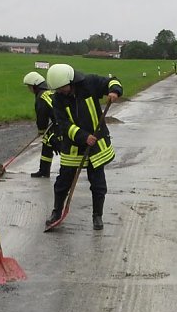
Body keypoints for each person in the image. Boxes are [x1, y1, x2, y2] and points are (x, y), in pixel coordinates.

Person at [44, 63, 122, 231]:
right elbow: (63, 124)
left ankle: (97, 216)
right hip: (73, 146)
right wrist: (83, 137)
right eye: (57, 89)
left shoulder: (89, 83)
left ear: (71, 81)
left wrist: (114, 91)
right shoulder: (57, 99)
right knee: (63, 183)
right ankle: (57, 212)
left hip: (96, 147)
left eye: (62, 87)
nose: (60, 91)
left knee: (98, 184)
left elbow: (112, 81)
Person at [22, 71, 60, 178]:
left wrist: (41, 130)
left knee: (57, 142)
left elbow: (41, 115)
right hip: (59, 122)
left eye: (29, 86)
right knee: (47, 141)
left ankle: (68, 169)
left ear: (34, 86)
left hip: (61, 124)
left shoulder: (41, 97)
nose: (29, 89)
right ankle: (44, 170)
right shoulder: (48, 93)